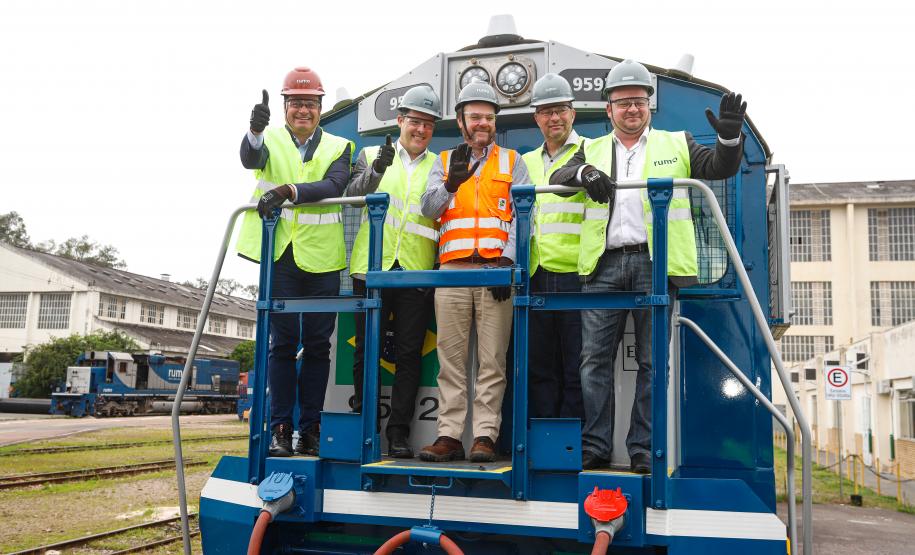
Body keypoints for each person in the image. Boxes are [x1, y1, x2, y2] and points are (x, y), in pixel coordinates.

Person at [550, 59, 747, 472]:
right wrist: (585, 171)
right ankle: (595, 446)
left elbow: (720, 168)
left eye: (638, 101)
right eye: (622, 103)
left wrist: (729, 139)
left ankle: (643, 448)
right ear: (609, 110)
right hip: (602, 267)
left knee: (653, 362)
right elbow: (562, 175)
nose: (631, 109)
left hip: (654, 264)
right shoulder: (592, 148)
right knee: (592, 361)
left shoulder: (678, 143)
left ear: (649, 107)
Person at [236, 67, 354, 457]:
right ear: (285, 106)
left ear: (320, 107)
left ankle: (312, 429)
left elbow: (334, 185)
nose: (303, 110)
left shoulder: (339, 145)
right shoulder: (268, 139)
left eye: (310, 103)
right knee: (281, 344)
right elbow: (251, 159)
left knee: (319, 346)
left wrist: (289, 190)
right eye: (296, 103)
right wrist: (253, 131)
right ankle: (281, 429)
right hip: (280, 253)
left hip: (322, 257)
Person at [418, 82, 531, 463]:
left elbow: (522, 215)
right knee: (450, 362)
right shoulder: (444, 160)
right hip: (451, 273)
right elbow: (428, 209)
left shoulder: (513, 161)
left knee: (492, 361)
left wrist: (508, 261)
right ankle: (448, 437)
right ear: (461, 120)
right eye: (476, 116)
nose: (483, 123)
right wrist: (451, 183)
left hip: (495, 273)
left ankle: (484, 436)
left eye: (489, 116)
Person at [346, 86, 443, 458]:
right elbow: (355, 193)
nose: (420, 130)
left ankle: (398, 433)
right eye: (414, 121)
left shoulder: (439, 164)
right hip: (370, 268)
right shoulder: (370, 153)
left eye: (428, 124)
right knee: (365, 354)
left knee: (408, 355)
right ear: (400, 120)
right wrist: (377, 169)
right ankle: (367, 428)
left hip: (416, 271)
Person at [521, 73, 586, 420]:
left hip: (578, 274)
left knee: (577, 364)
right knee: (539, 364)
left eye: (560, 109)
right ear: (536, 118)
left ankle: (571, 438)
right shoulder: (526, 162)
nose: (554, 118)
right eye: (546, 111)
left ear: (572, 113)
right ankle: (544, 433)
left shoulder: (591, 151)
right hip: (535, 272)